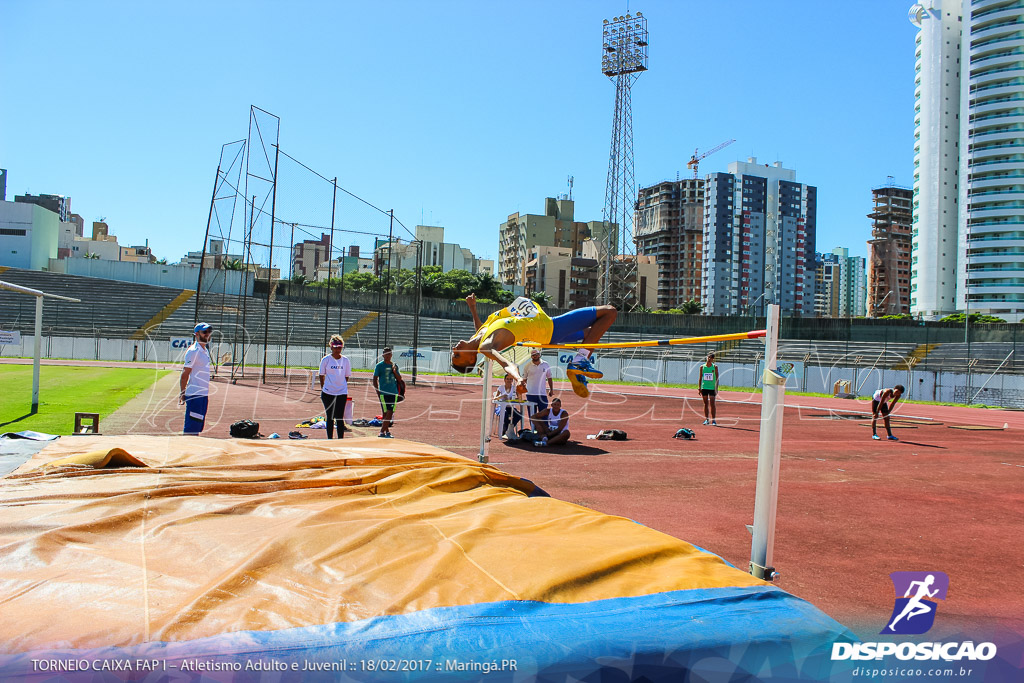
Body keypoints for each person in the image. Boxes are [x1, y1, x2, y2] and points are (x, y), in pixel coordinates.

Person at [451, 293, 616, 398]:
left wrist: (473, 308)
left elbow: (479, 328)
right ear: (472, 357)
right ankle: (579, 362)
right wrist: (518, 379)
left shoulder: (480, 334)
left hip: (547, 328)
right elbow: (507, 364)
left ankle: (579, 370)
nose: (455, 349)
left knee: (590, 333)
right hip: (549, 329)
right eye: (458, 355)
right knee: (609, 311)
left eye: (454, 352)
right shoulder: (485, 346)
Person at [179, 322, 214, 435]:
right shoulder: (194, 351)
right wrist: (182, 392)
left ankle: (192, 448)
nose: (207, 334)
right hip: (195, 394)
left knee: (198, 425)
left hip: (203, 393)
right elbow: (185, 373)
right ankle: (186, 449)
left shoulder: (204, 350)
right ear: (196, 334)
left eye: (209, 332)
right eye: (204, 332)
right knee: (192, 426)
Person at [318, 335, 352, 439]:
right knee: (330, 417)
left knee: (339, 417)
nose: (337, 349)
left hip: (341, 393)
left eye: (340, 347)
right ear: (331, 347)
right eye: (335, 347)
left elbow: (346, 376)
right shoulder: (326, 360)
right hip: (328, 393)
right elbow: (321, 375)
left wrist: (341, 386)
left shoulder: (345, 360)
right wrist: (325, 387)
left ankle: (340, 440)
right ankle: (329, 439)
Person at [372, 346, 402, 439]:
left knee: (390, 412)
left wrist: (394, 371)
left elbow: (399, 379)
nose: (387, 356)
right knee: (385, 412)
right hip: (383, 393)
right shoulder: (379, 366)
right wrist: (377, 390)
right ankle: (383, 431)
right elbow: (375, 378)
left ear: (391, 355)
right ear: (383, 355)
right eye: (386, 354)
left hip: (393, 392)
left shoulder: (394, 365)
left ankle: (385, 431)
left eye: (389, 354)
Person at [522, 348, 554, 415]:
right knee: (532, 414)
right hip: (530, 394)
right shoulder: (527, 366)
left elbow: (549, 377)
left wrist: (551, 389)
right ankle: (533, 426)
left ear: (539, 355)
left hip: (542, 394)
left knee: (543, 414)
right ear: (531, 356)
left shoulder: (545, 364)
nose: (535, 356)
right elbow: (524, 379)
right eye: (533, 355)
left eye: (536, 354)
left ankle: (543, 425)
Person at [493, 373, 524, 439]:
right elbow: (495, 398)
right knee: (505, 414)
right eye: (507, 379)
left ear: (512, 380)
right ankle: (505, 430)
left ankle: (508, 429)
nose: (509, 380)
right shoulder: (501, 387)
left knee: (519, 415)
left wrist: (513, 398)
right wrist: (502, 396)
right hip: (501, 407)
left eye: (510, 379)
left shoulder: (514, 388)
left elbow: (520, 398)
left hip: (511, 407)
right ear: (504, 380)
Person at [698, 352, 719, 426]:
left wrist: (716, 388)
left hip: (712, 388)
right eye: (708, 357)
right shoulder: (702, 367)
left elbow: (717, 378)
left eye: (711, 358)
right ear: (706, 357)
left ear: (713, 359)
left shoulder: (715, 367)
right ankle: (707, 419)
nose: (709, 359)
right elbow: (700, 378)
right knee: (705, 403)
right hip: (704, 387)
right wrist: (699, 387)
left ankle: (713, 420)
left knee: (712, 404)